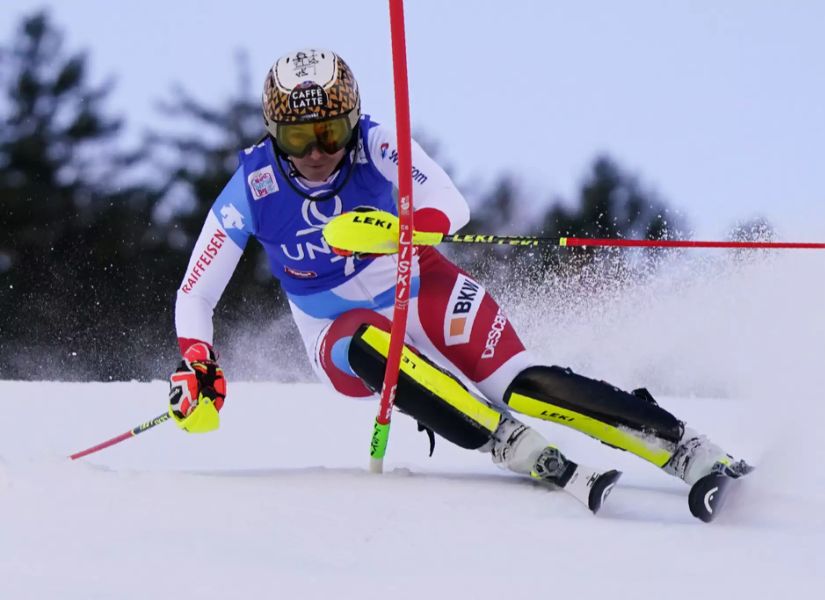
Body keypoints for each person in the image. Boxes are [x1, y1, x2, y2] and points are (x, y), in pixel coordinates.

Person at [169, 48, 749, 511]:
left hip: (421, 283)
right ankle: (506, 442)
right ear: (275, 134)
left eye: (331, 131)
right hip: (333, 328)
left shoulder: (377, 143)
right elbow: (196, 291)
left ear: (353, 120)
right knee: (368, 339)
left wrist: (399, 228)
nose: (318, 152)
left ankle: (688, 448)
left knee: (522, 385)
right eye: (299, 137)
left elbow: (451, 205)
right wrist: (198, 362)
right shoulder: (254, 184)